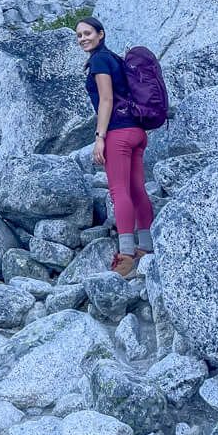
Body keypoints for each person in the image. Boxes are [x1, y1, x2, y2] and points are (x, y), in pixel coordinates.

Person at [75, 16, 154, 277]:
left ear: (101, 34)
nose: (83, 38)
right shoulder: (116, 59)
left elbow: (106, 99)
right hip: (137, 131)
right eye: (79, 35)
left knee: (119, 191)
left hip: (118, 133)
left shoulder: (99, 60)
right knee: (136, 189)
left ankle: (126, 257)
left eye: (88, 33)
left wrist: (100, 137)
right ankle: (146, 247)